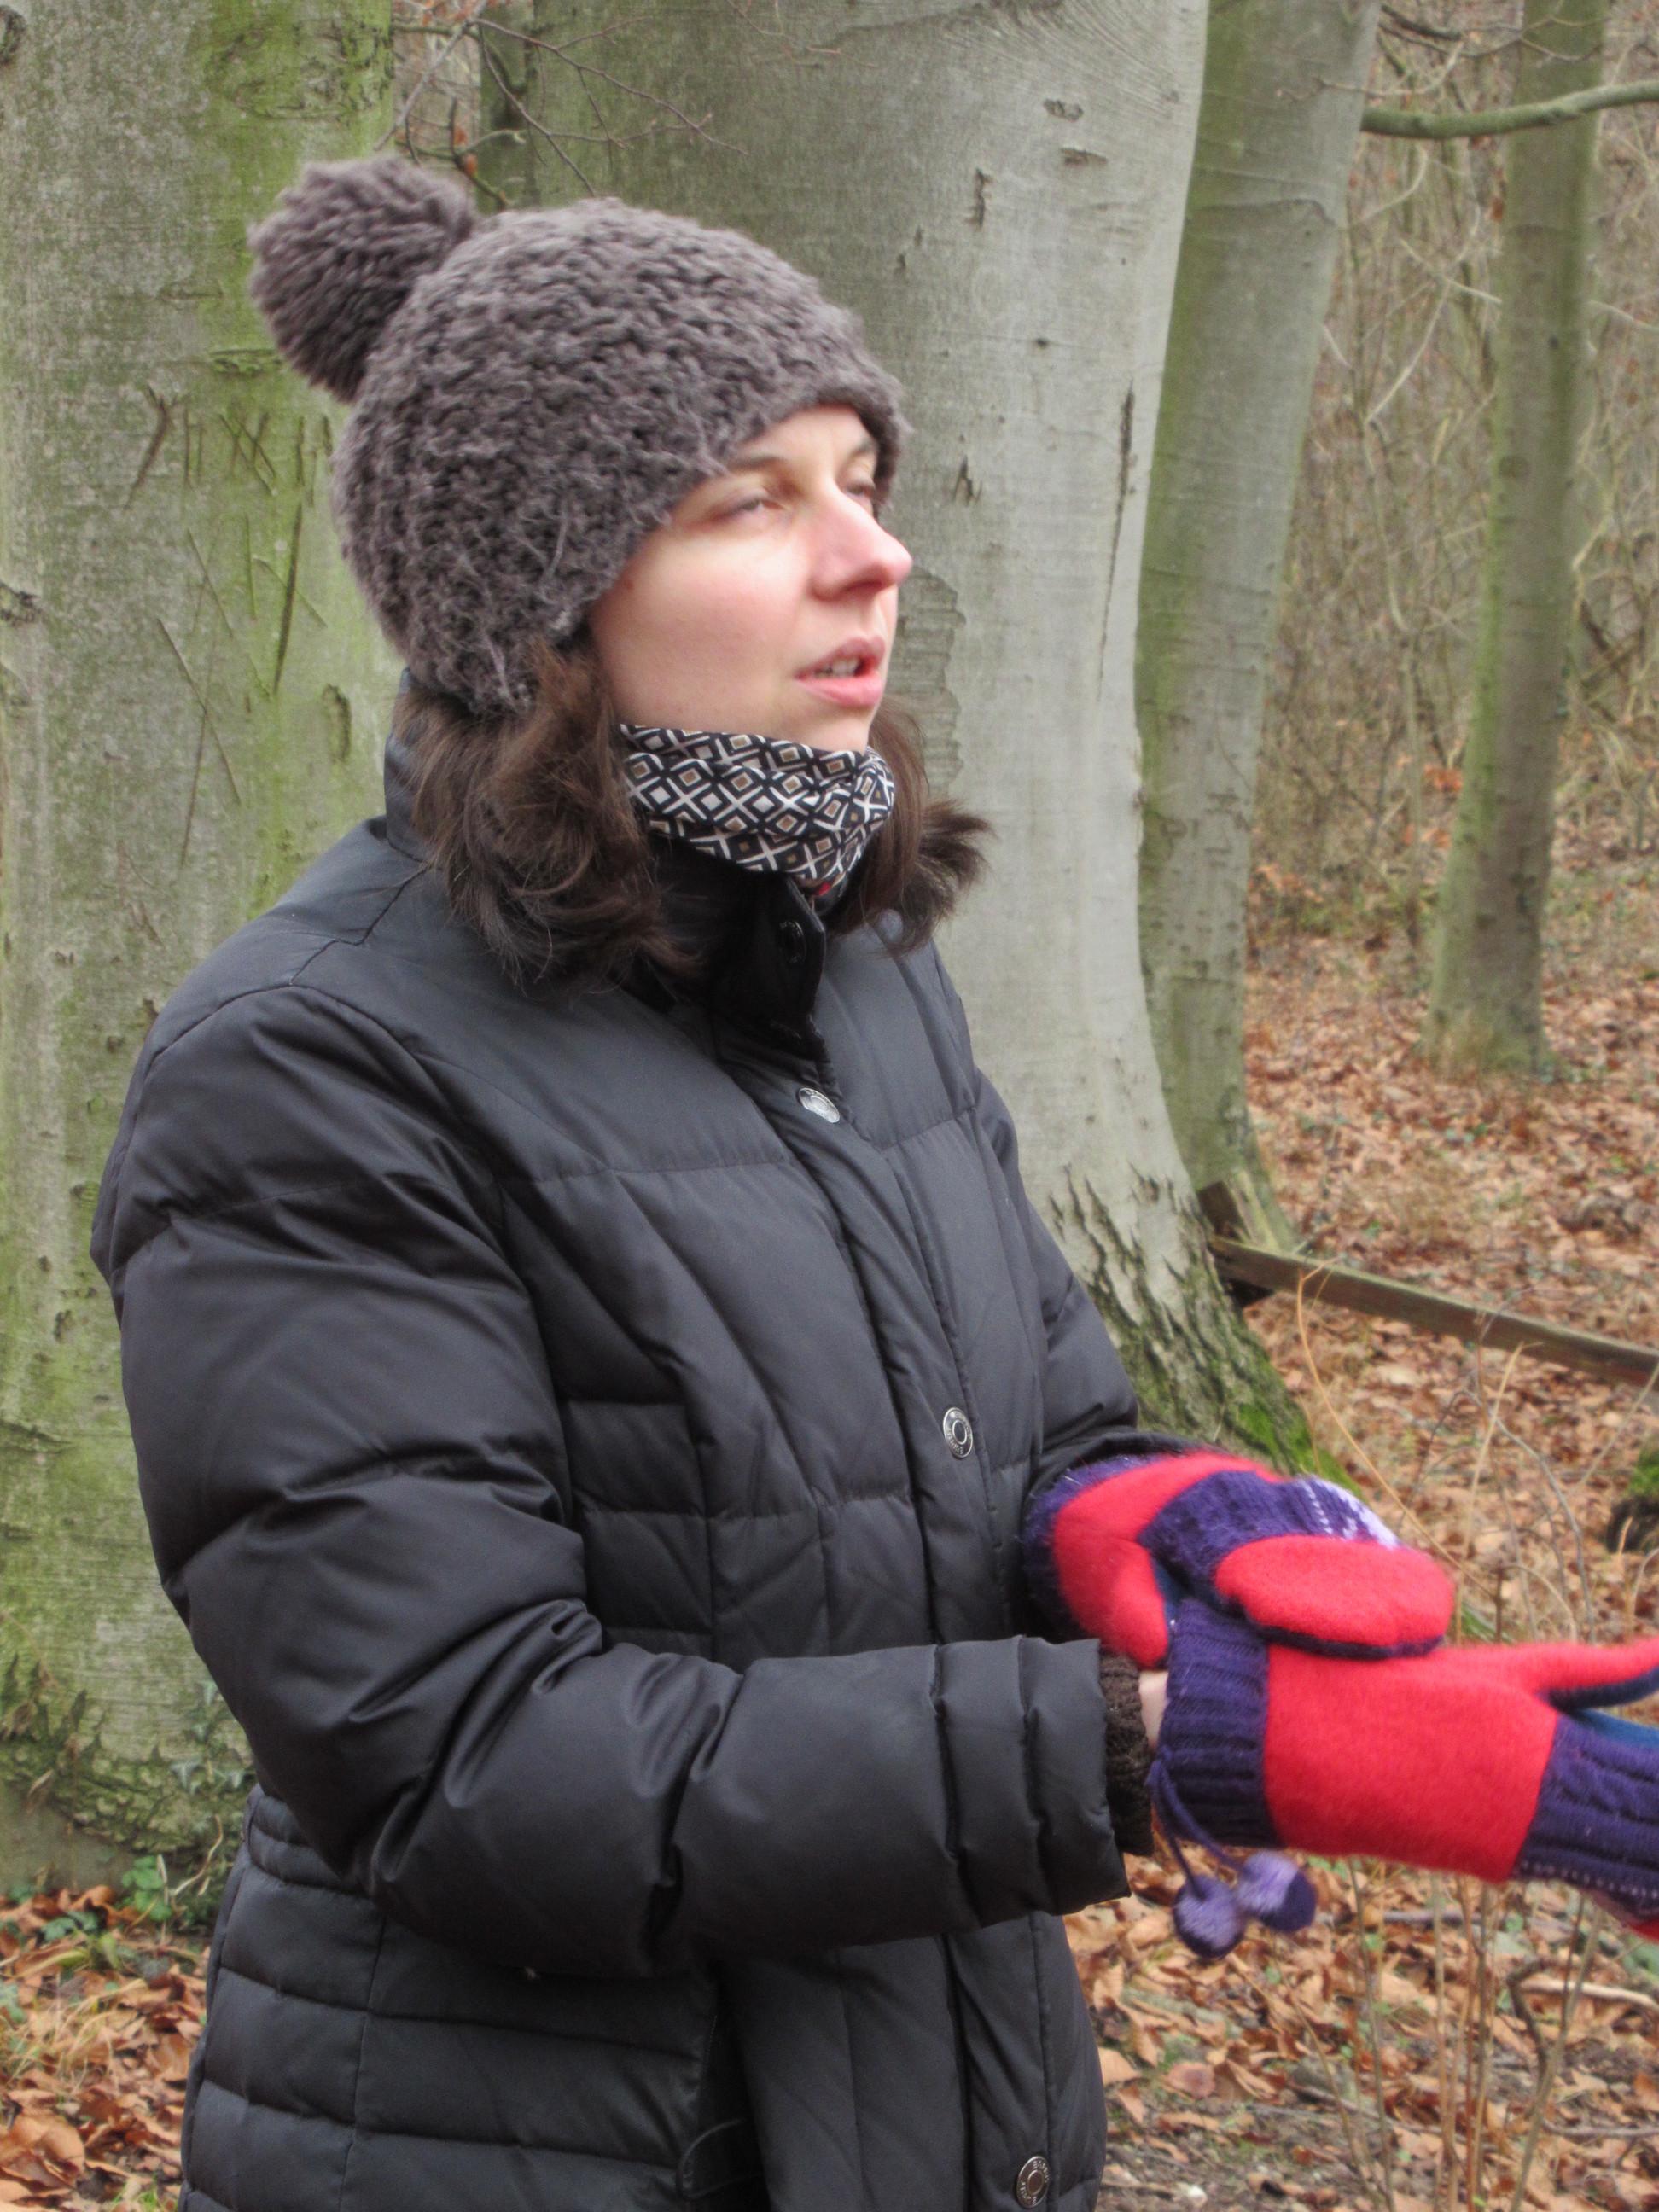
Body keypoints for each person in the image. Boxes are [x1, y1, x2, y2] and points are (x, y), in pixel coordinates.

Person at [92, 160, 1659, 2212]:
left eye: (860, 478)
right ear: (538, 603)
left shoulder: (852, 967)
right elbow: (466, 1761)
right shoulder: (309, 1065)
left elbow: (1024, 1437)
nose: (875, 553)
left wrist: (1150, 1526)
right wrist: (1153, 1742)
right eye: (752, 501)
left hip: (949, 2108)